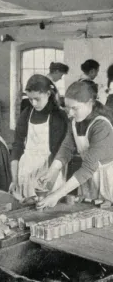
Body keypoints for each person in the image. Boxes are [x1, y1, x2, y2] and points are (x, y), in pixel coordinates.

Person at [37, 81, 113, 209]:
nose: (70, 113)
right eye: (67, 108)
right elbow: (66, 149)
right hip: (88, 179)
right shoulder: (75, 122)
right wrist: (52, 171)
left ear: (90, 103)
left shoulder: (101, 126)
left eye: (74, 108)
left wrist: (56, 195)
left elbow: (88, 167)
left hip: (108, 180)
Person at [9, 74, 68, 200]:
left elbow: (61, 152)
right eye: (30, 99)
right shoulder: (26, 114)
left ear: (48, 93)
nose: (33, 103)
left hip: (49, 170)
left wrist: (51, 179)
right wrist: (14, 179)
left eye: (37, 99)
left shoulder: (58, 116)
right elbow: (17, 146)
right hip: (26, 171)